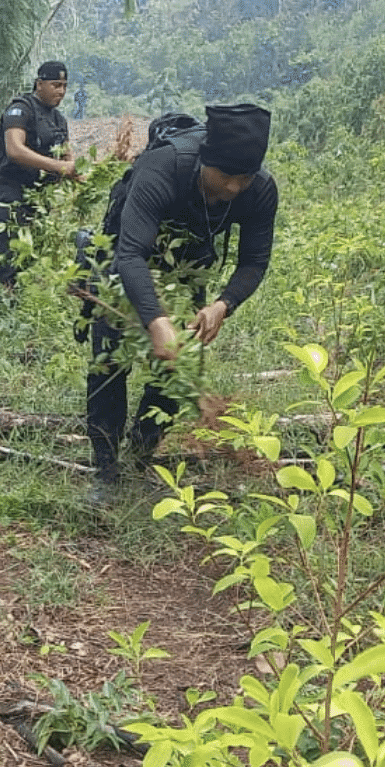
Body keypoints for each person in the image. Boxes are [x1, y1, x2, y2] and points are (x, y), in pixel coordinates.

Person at [83, 103, 279, 504]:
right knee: (110, 360)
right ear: (205, 160)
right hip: (126, 257)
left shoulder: (259, 189)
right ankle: (105, 469)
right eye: (225, 176)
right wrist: (156, 321)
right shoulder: (163, 168)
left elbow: (254, 261)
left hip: (187, 266)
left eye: (243, 179)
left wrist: (223, 305)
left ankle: (140, 458)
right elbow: (131, 254)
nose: (233, 188)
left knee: (177, 369)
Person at [0, 60, 79, 287]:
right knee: (9, 260)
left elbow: (68, 157)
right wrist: (58, 167)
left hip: (39, 199)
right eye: (56, 85)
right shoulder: (21, 109)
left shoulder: (59, 120)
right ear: (39, 84)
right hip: (11, 194)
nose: (61, 91)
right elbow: (15, 150)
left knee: (31, 262)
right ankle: (3, 304)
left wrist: (81, 173)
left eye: (64, 86)